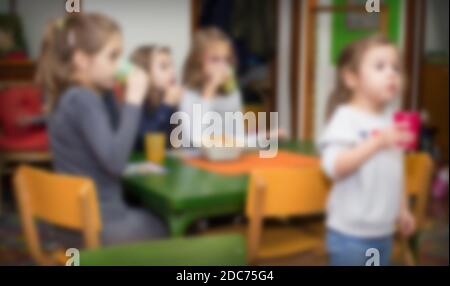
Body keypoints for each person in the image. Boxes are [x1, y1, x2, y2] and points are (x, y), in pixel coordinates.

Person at [36, 13, 167, 245]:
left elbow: (119, 139)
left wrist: (116, 97)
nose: (119, 66)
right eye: (113, 56)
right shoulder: (83, 99)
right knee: (168, 226)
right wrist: (134, 99)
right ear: (82, 60)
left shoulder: (69, 95)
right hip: (99, 226)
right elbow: (116, 162)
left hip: (71, 223)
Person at [318, 35, 416, 266]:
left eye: (396, 67)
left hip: (383, 233)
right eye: (380, 66)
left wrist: (402, 210)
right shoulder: (345, 119)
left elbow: (395, 172)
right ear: (352, 78)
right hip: (350, 237)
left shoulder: (390, 121)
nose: (391, 73)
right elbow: (333, 167)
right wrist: (377, 142)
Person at [130, 45, 182, 149]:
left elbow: (174, 142)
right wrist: (167, 104)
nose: (172, 71)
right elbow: (145, 137)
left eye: (172, 65)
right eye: (164, 67)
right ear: (145, 72)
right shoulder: (137, 101)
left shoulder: (168, 99)